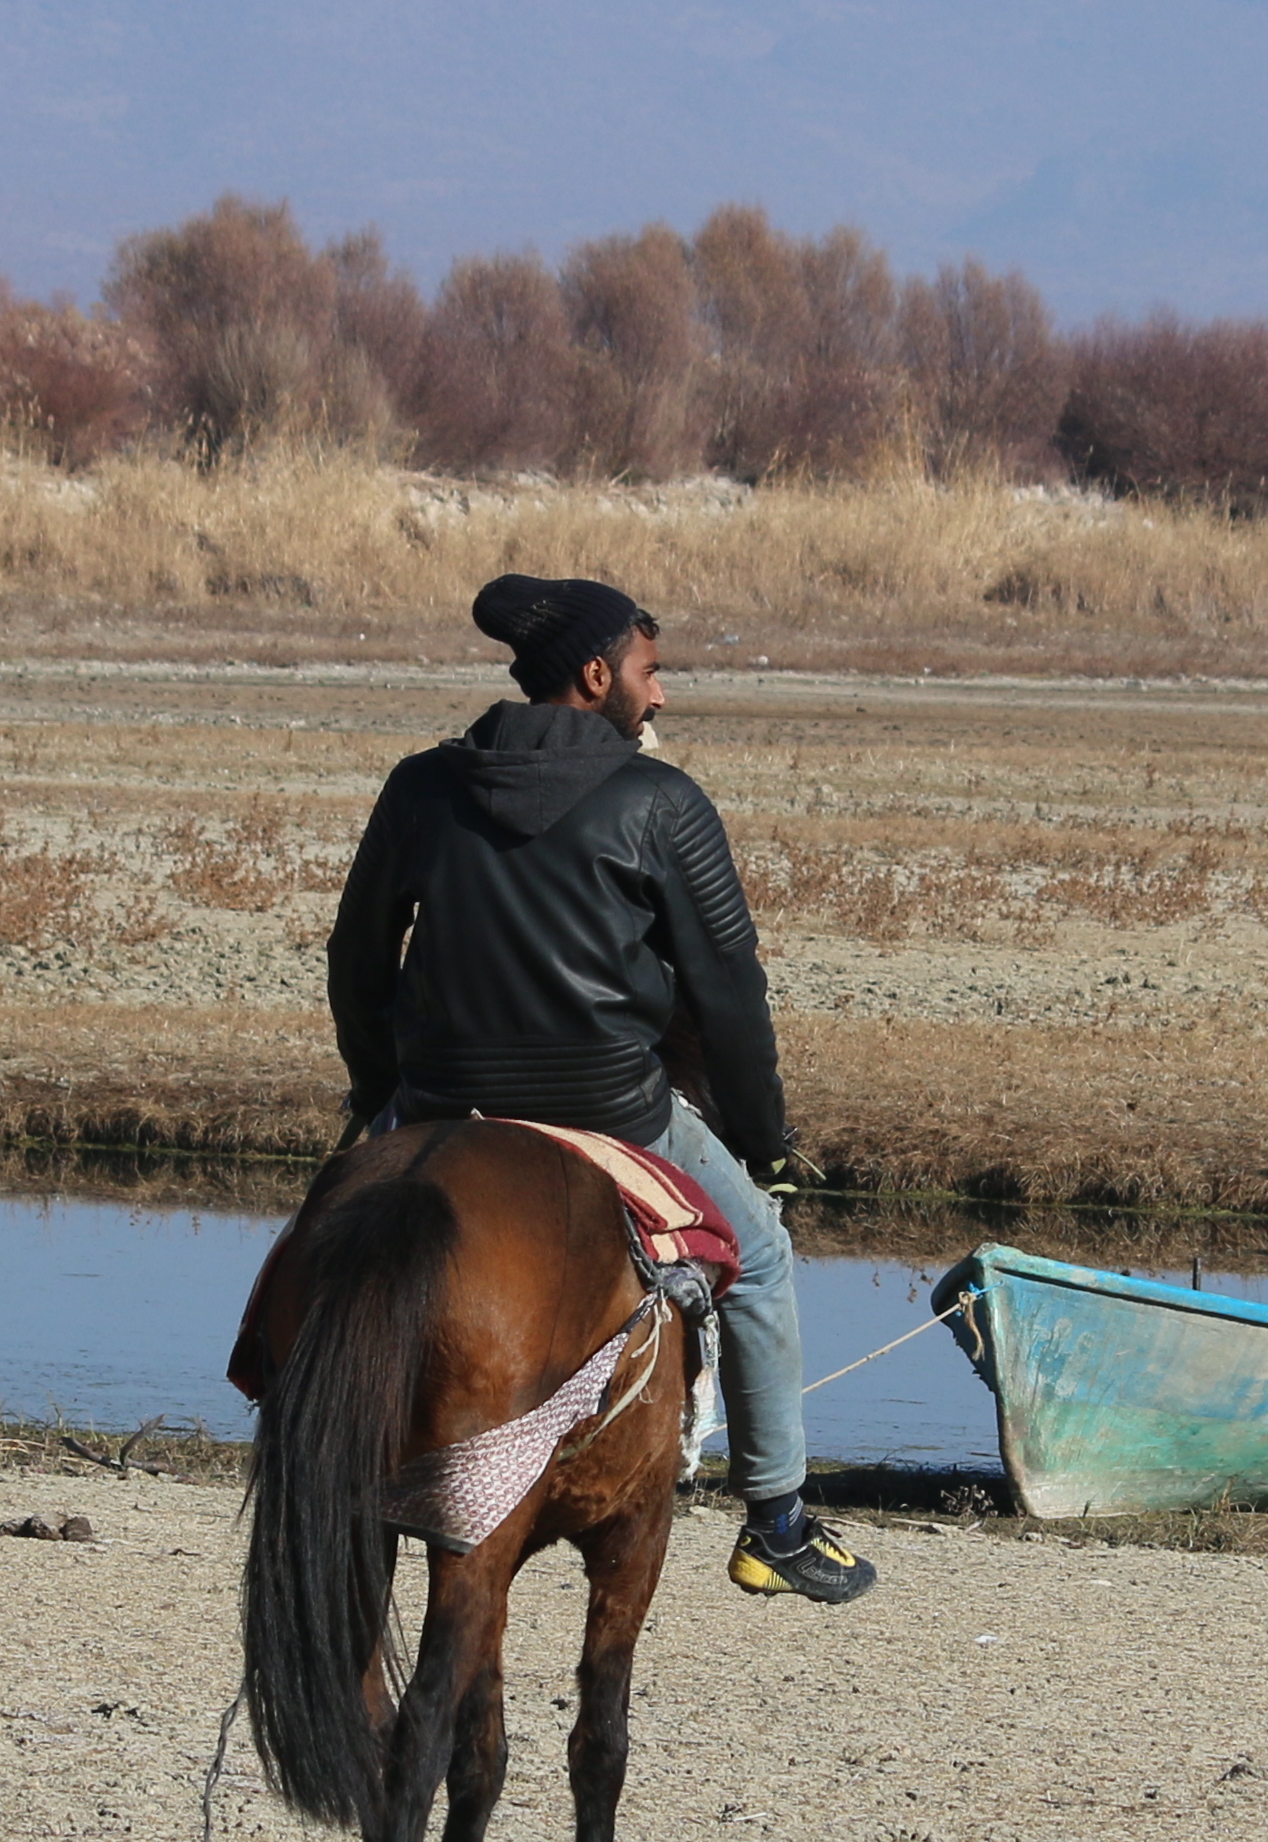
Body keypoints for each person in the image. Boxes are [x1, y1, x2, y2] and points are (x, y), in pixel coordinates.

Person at [324, 573, 874, 1604]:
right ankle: (777, 1523)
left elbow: (357, 954)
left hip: (441, 1102)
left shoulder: (420, 787)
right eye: (649, 671)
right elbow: (728, 998)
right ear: (594, 676)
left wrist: (377, 1090)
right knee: (759, 1259)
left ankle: (304, 1433)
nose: (659, 695)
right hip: (615, 1109)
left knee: (325, 1244)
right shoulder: (662, 803)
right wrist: (761, 1142)